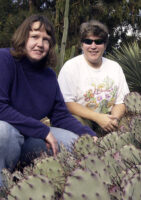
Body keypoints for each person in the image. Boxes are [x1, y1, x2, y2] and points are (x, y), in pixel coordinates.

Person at [0, 15, 96, 187]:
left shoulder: (49, 76)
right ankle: (4, 186)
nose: (40, 43)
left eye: (46, 39)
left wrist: (89, 135)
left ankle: (32, 173)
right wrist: (41, 130)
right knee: (4, 132)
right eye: (35, 36)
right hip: (7, 136)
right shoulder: (5, 59)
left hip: (30, 140)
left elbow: (61, 117)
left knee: (73, 142)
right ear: (23, 37)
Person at [58, 20, 129, 136]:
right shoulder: (70, 67)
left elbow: (122, 101)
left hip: (109, 119)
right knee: (75, 120)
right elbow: (66, 103)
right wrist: (98, 118)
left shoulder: (115, 68)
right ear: (82, 44)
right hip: (83, 120)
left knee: (128, 123)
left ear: (105, 45)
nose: (93, 46)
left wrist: (113, 120)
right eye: (88, 41)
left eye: (98, 42)